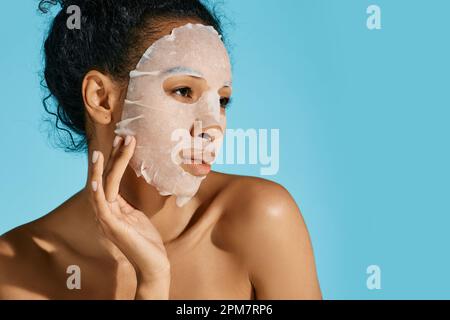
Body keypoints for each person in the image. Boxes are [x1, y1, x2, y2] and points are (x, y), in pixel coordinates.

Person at [0, 0, 321, 300]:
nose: (213, 125)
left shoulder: (258, 218)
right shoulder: (16, 269)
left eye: (221, 100)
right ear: (101, 98)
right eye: (184, 91)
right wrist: (152, 282)